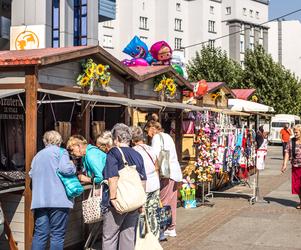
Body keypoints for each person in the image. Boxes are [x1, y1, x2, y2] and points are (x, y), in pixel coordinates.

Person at [102, 123, 147, 250]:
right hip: (134, 202)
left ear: (115, 139)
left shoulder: (113, 153)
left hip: (118, 202)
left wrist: (113, 198)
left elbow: (113, 177)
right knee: (128, 235)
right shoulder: (137, 154)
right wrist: (142, 202)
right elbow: (143, 180)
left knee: (110, 237)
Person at [30, 130, 76, 250]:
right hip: (58, 200)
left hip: (40, 201)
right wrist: (72, 164)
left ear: (45, 141)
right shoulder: (61, 152)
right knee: (57, 235)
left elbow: (31, 174)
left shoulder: (38, 155)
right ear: (59, 141)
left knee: (40, 234)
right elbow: (66, 169)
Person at [145, 120, 182, 237]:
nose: (148, 134)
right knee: (171, 202)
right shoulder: (167, 136)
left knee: (163, 201)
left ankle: (160, 229)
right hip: (174, 173)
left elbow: (154, 156)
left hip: (167, 174)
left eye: (148, 131)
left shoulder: (157, 138)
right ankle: (171, 227)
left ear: (152, 128)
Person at [131, 126, 160, 238]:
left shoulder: (133, 152)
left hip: (143, 186)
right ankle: (154, 237)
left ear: (132, 139)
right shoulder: (150, 149)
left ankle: (143, 238)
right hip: (155, 184)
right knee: (153, 212)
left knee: (142, 213)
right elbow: (156, 166)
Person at [281, 124, 301, 209]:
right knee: (297, 186)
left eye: (296, 132)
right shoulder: (291, 141)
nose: (295, 133)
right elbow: (287, 152)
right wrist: (284, 164)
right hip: (295, 166)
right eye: (294, 132)